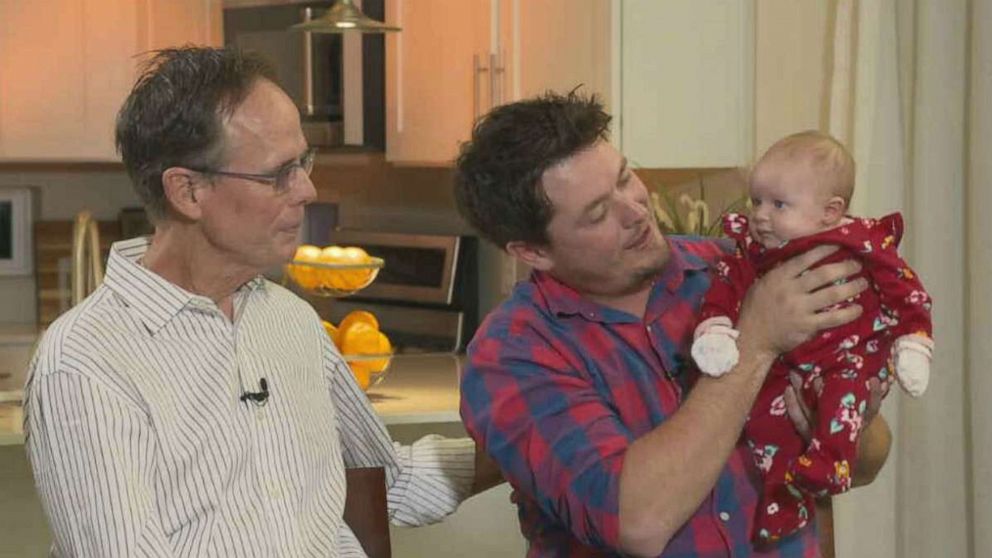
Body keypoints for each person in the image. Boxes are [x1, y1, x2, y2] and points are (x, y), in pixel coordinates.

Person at [23, 46, 500, 557]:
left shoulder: (289, 319)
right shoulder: (83, 362)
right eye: (278, 174)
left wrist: (543, 442)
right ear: (187, 191)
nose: (308, 190)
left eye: (304, 163)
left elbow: (388, 481)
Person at [454, 91, 892, 557]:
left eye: (626, 178)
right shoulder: (512, 355)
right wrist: (757, 343)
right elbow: (635, 522)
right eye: (599, 212)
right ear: (532, 252)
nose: (636, 210)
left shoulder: (738, 269)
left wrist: (849, 419)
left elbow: (869, 461)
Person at [689, 131, 933, 543]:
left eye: (779, 204)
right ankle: (781, 501)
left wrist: (914, 337)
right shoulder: (752, 252)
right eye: (757, 202)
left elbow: (903, 288)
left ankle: (828, 463)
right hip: (783, 366)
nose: (761, 215)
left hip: (848, 357)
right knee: (764, 421)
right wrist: (716, 328)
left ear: (829, 211)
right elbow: (726, 290)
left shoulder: (861, 243)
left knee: (845, 394)